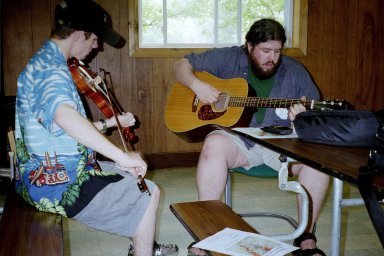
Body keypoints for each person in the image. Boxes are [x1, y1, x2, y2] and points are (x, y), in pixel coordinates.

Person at [14, 0, 178, 255]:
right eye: (95, 38)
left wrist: (109, 123)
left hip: (50, 170)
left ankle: (142, 245)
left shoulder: (44, 61)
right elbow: (64, 116)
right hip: (56, 182)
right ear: (79, 34)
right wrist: (121, 155)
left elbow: (60, 129)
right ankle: (143, 250)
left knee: (138, 181)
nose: (97, 45)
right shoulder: (51, 71)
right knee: (147, 193)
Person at [174, 19, 327, 256]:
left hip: (281, 144)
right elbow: (181, 65)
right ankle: (205, 233)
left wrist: (304, 117)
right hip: (239, 140)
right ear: (249, 46)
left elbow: (318, 118)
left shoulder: (295, 72)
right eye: (266, 51)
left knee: (318, 164)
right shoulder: (229, 58)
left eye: (277, 52)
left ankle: (306, 238)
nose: (272, 58)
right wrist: (197, 85)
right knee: (213, 142)